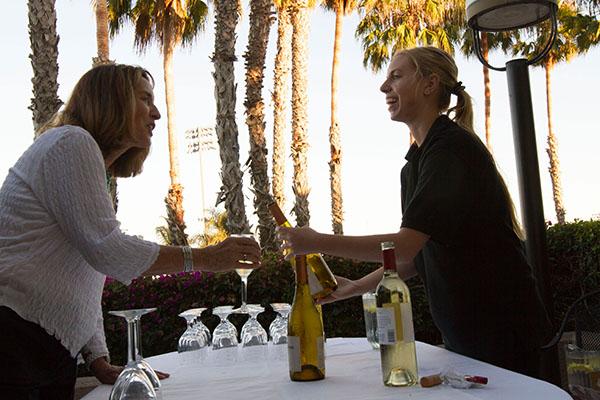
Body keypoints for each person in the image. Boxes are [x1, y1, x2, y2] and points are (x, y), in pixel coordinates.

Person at [278, 46, 551, 378]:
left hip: (504, 334)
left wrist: (316, 241)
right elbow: (412, 259)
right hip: (466, 339)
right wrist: (355, 287)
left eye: (396, 75)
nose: (384, 87)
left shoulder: (451, 149)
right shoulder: (414, 166)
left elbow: (404, 244)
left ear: (429, 84)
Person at [0, 64, 261, 399]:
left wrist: (97, 360)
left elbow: (86, 270)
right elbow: (108, 250)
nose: (156, 113)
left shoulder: (88, 161)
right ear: (111, 101)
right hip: (12, 339)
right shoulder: (71, 142)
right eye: (144, 98)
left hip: (43, 349)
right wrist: (205, 257)